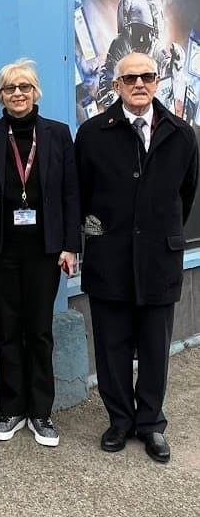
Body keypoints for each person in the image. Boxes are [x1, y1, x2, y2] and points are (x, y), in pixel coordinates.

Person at [75, 52, 198, 463]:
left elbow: (186, 194)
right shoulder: (93, 133)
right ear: (117, 85)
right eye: (130, 78)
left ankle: (150, 424)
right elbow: (82, 197)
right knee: (111, 345)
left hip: (159, 260)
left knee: (154, 347)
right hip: (109, 259)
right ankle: (120, 421)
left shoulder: (182, 133)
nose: (139, 84)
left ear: (158, 80)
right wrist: (100, 236)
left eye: (147, 76)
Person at [0, 59, 80, 448]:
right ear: (0, 96)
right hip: (2, 249)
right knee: (6, 330)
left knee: (39, 331)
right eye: (9, 89)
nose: (17, 94)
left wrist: (70, 245)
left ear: (36, 92)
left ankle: (41, 412)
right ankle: (11, 410)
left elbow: (71, 192)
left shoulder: (57, 133)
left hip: (45, 250)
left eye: (24, 87)